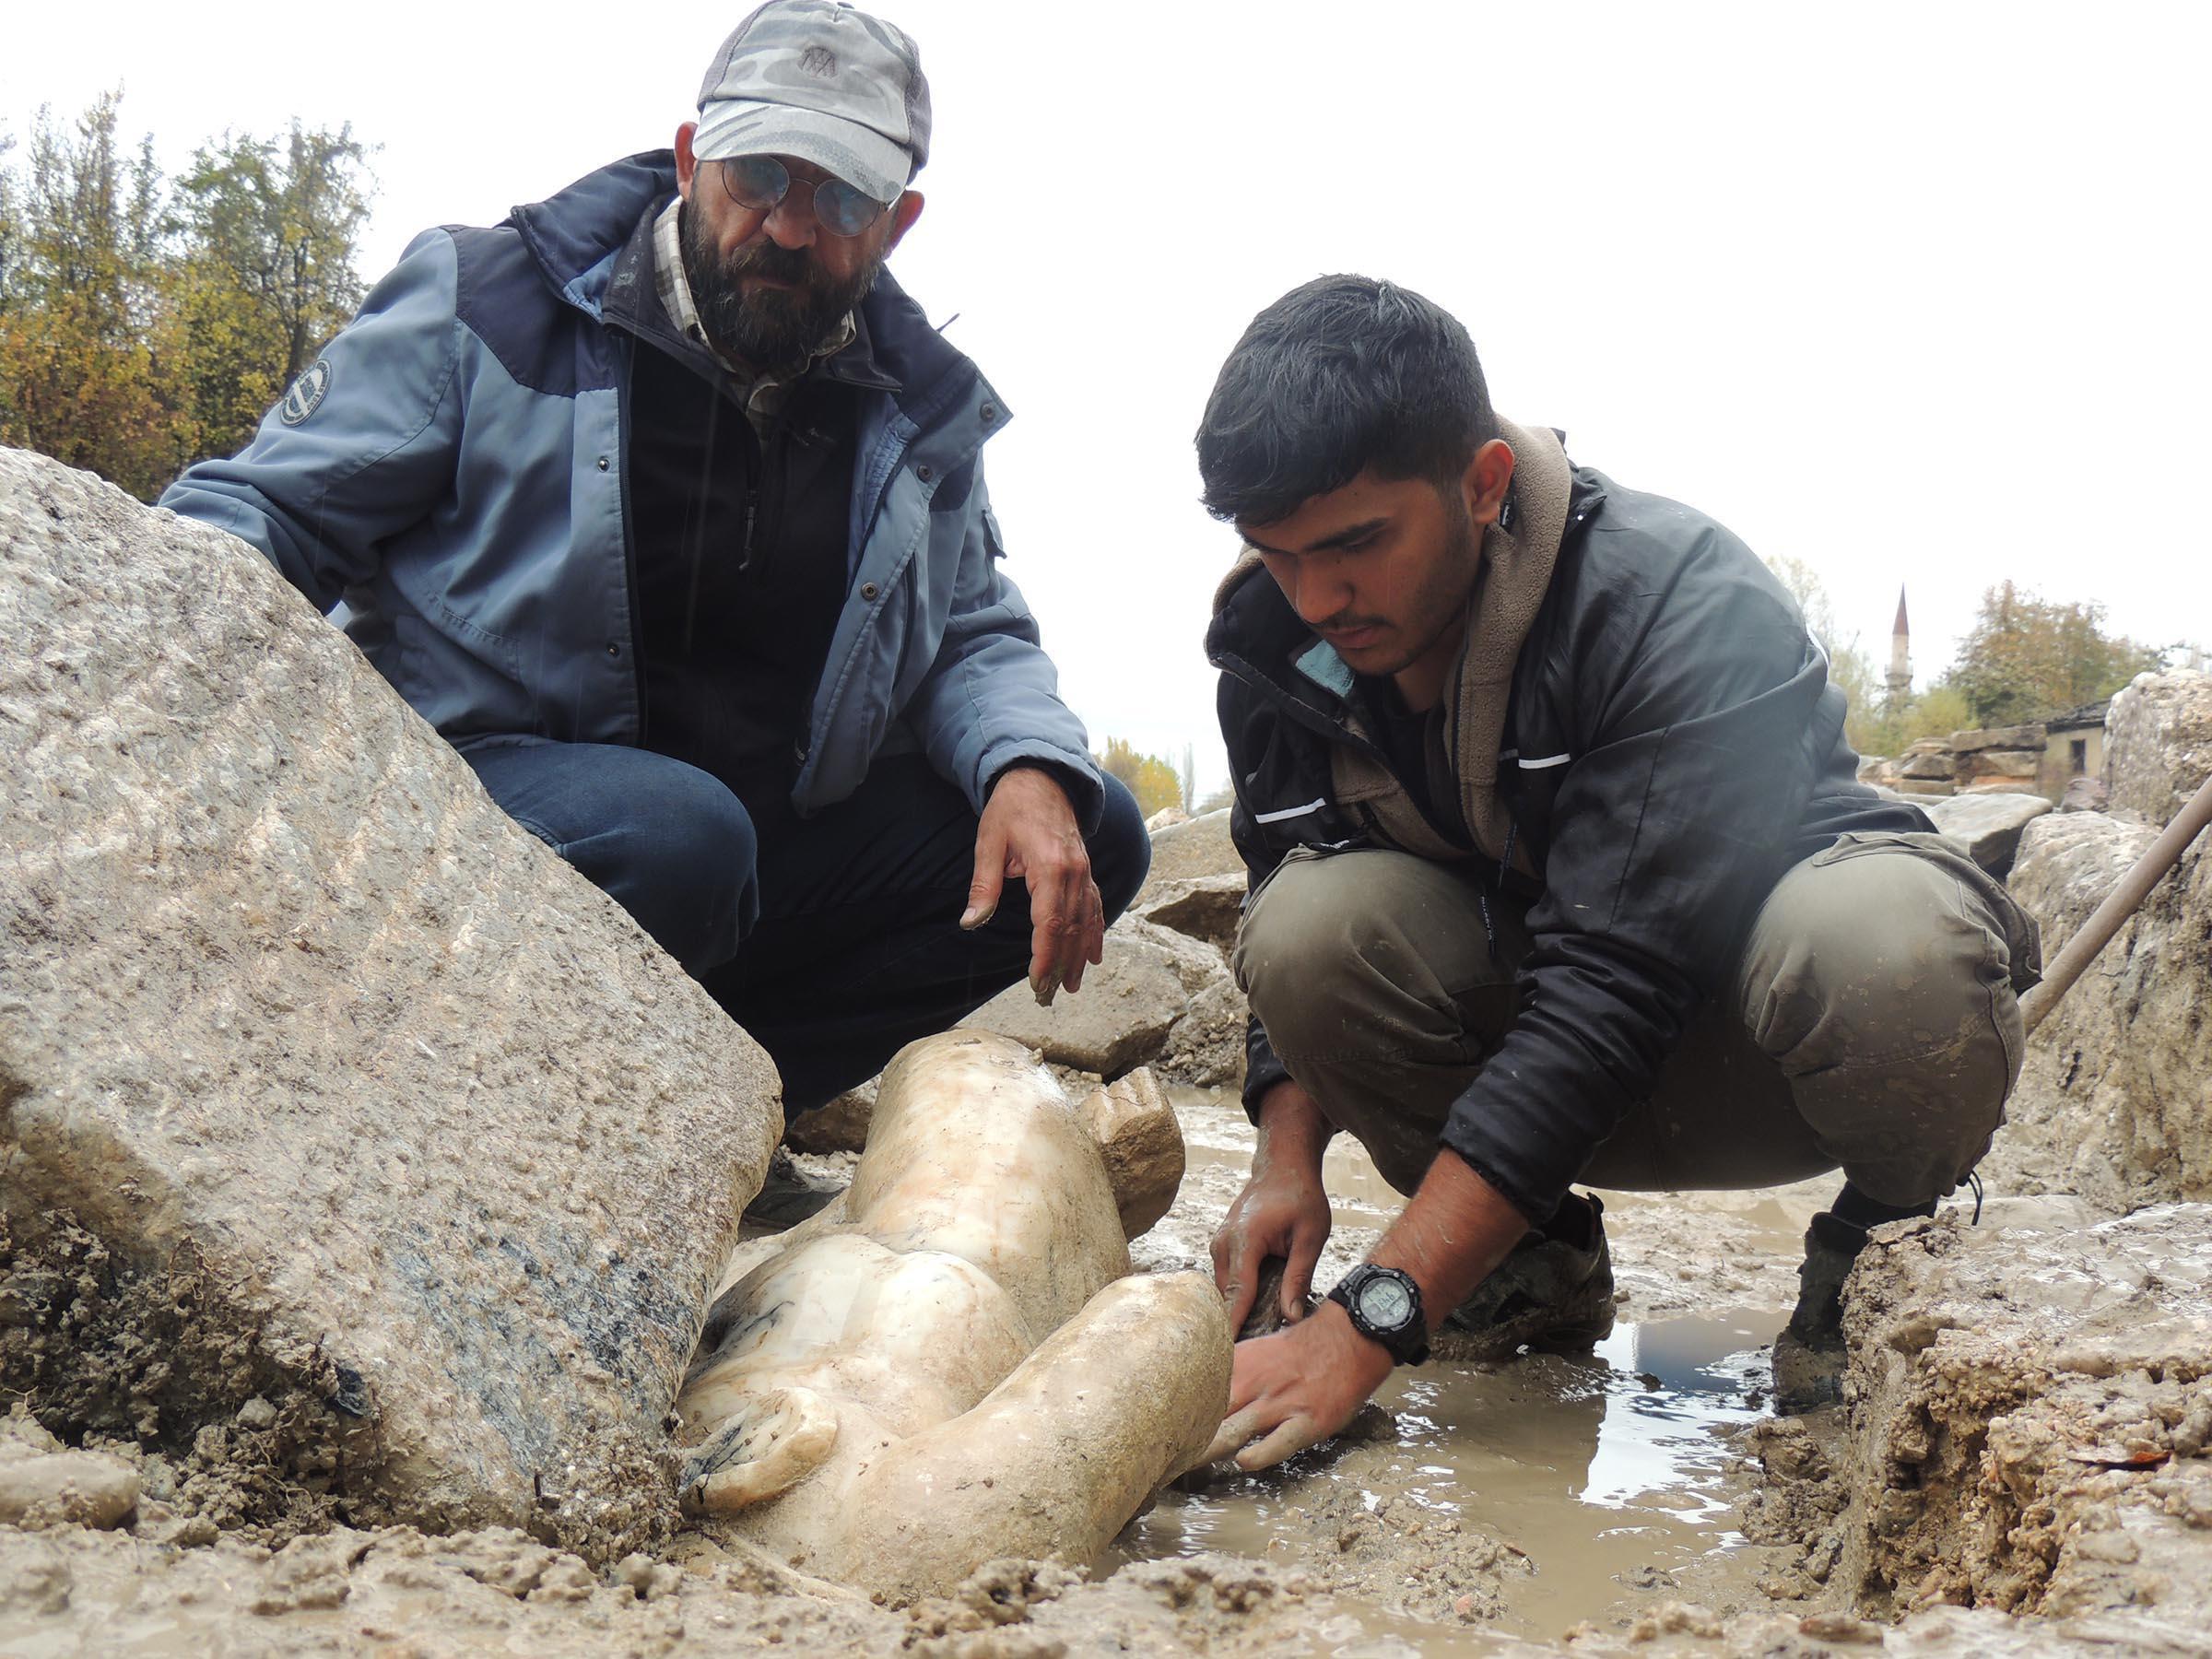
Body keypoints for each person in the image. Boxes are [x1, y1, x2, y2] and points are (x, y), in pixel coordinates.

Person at [160, 0, 1147, 1118]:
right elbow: (261, 511)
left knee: (1093, 829)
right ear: (692, 160)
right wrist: (146, 699)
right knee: (679, 833)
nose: (788, 226)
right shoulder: (486, 304)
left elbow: (970, 632)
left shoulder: (919, 411)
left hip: (748, 864)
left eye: (841, 198)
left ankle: (721, 1111)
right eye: (760, 176)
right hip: (485, 811)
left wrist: (1027, 765)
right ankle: (468, 1093)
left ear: (898, 222)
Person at [1196, 276, 2039, 1470]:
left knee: (1892, 946)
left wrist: (1372, 1320)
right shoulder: (1284, 654)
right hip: (1543, 1071)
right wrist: (1285, 1164)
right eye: (1277, 556)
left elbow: (1610, 993)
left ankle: (1876, 1268)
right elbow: (1283, 880)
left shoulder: (1676, 600)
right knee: (1300, 928)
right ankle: (1523, 1264)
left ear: (1483, 486)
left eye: (1356, 545)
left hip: (1763, 1056)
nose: (1317, 598)